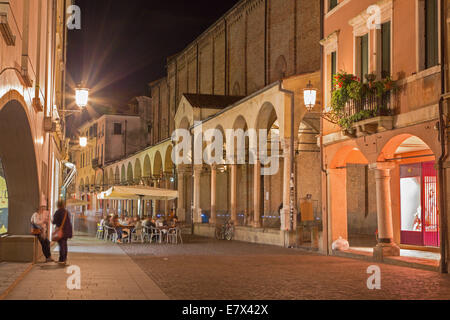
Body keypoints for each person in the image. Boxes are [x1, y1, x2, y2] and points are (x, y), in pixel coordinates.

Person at [52, 201, 73, 266]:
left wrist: (51, 220)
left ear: (58, 205)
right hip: (67, 230)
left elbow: (54, 222)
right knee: (64, 244)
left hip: (61, 231)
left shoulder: (58, 212)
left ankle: (62, 259)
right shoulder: (67, 212)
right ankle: (64, 258)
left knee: (62, 245)